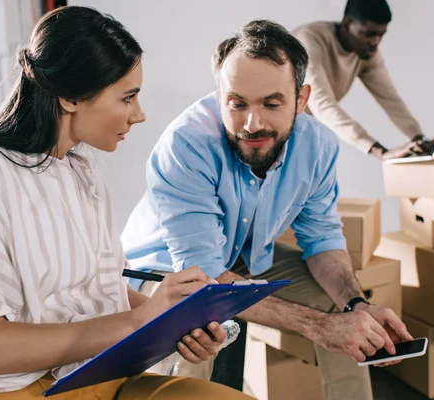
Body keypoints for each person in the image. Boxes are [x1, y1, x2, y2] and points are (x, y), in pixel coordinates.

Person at [0, 6, 256, 400]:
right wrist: (139, 320)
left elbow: (102, 289)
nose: (139, 114)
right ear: (70, 96)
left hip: (101, 378)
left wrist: (178, 319)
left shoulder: (82, 171)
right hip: (16, 391)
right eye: (127, 97)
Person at [121, 19, 414, 400]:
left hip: (243, 254)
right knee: (198, 323)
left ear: (302, 99)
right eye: (237, 104)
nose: (252, 123)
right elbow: (203, 276)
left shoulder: (319, 147)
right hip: (166, 269)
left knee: (344, 313)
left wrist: (357, 305)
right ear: (221, 94)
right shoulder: (186, 144)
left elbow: (322, 240)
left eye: (272, 104)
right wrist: (320, 327)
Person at [292, 0, 434, 159]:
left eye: (381, 35)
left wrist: (419, 138)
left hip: (305, 128)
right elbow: (323, 105)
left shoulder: (366, 52)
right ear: (347, 25)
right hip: (275, 129)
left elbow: (390, 99)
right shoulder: (309, 40)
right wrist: (380, 152)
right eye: (368, 34)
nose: (375, 42)